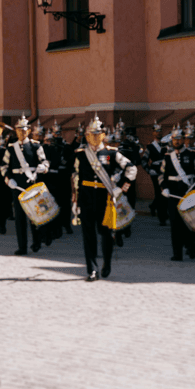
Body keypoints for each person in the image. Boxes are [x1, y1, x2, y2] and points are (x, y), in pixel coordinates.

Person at [72, 115, 137, 281]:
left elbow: (131, 170)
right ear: (86, 136)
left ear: (103, 135)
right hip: (86, 199)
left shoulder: (111, 153)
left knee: (106, 234)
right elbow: (76, 179)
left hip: (105, 200)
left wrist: (121, 189)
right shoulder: (80, 155)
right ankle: (92, 270)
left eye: (97, 134)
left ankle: (107, 262)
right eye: (91, 134)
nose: (94, 137)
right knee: (88, 236)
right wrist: (75, 201)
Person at [3, 114, 49, 254]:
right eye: (19, 130)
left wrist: (43, 168)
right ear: (16, 131)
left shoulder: (36, 146)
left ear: (29, 131)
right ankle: (22, 246)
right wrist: (8, 180)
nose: (21, 132)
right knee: (19, 218)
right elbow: (4, 167)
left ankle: (36, 242)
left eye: (24, 130)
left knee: (35, 215)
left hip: (32, 183)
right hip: (17, 185)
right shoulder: (11, 148)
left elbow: (45, 162)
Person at [159, 124, 195, 261]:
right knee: (174, 224)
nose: (177, 142)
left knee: (188, 223)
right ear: (172, 140)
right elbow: (161, 175)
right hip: (172, 193)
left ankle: (191, 244)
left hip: (188, 192)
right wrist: (164, 187)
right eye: (174, 139)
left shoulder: (191, 155)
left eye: (179, 139)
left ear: (183, 139)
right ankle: (177, 253)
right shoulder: (167, 157)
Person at [141, 122, 168, 225]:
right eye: (156, 131)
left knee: (165, 192)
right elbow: (143, 160)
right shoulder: (150, 147)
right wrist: (148, 170)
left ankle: (153, 207)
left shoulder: (166, 145)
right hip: (155, 172)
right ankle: (162, 218)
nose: (159, 133)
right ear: (153, 133)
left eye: (160, 131)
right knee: (159, 193)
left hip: (165, 172)